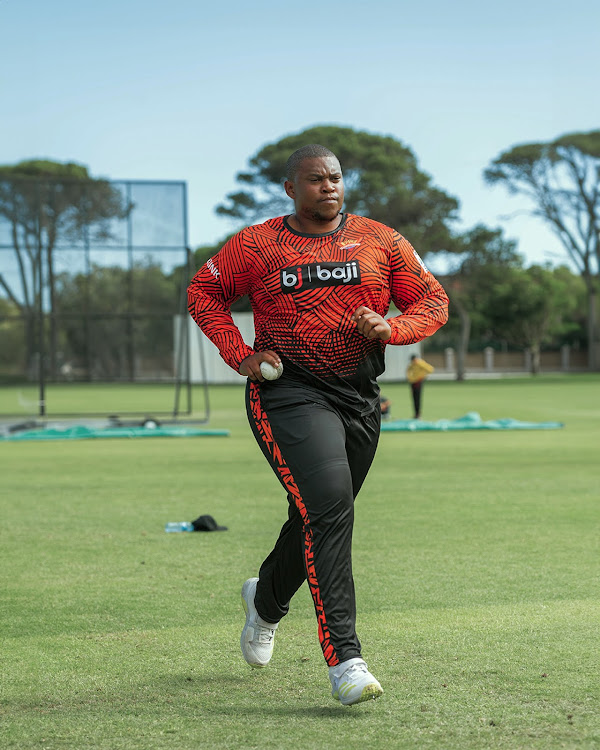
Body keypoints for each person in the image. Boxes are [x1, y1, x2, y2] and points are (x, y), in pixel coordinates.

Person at [187, 144, 449, 705]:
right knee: (331, 508)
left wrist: (390, 328)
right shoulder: (256, 244)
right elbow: (203, 292)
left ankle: (265, 603)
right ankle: (346, 662)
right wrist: (241, 354)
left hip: (358, 399)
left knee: (316, 516)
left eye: (334, 178)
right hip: (287, 396)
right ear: (290, 188)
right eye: (314, 179)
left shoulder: (381, 240)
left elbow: (432, 300)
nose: (328, 187)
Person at [406, 354, 435, 419]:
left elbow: (430, 369)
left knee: (418, 398)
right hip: (413, 382)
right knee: (414, 398)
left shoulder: (420, 363)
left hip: (418, 382)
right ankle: (416, 414)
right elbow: (408, 371)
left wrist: (422, 376)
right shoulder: (412, 365)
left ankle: (418, 414)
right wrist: (410, 378)